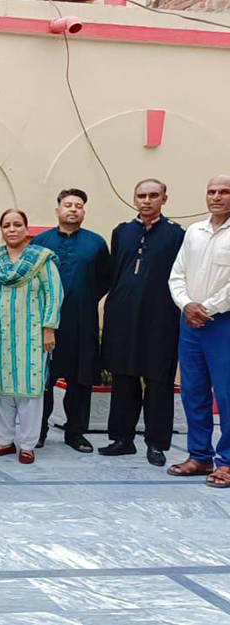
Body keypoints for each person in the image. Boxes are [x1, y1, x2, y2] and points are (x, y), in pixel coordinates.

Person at [99, 179, 185, 467]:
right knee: (123, 376)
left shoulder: (176, 235)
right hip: (122, 313)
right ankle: (122, 439)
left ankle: (156, 443)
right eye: (141, 196)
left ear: (164, 198)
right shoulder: (121, 232)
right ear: (134, 199)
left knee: (158, 378)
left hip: (161, 315)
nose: (146, 201)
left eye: (153, 196)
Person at [32, 189, 110, 453]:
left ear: (84, 211)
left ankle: (76, 433)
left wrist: (83, 298)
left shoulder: (96, 243)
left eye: (78, 206)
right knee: (43, 380)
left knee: (80, 379)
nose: (73, 209)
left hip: (82, 322)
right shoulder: (40, 243)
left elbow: (104, 279)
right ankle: (38, 431)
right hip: (46, 325)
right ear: (58, 210)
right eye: (68, 205)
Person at [0, 209, 63, 464]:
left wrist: (49, 328)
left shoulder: (41, 259)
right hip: (0, 334)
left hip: (32, 335)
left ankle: (27, 445)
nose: (12, 229)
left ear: (26, 229)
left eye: (17, 224)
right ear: (1, 230)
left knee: (30, 391)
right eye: (6, 225)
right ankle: (4, 442)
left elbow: (54, 293)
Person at [166, 175, 230, 486]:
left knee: (227, 394)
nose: (217, 197)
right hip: (190, 323)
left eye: (224, 191)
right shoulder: (195, 232)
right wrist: (187, 305)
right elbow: (177, 274)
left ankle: (228, 461)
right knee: (193, 392)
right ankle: (200, 456)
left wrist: (208, 308)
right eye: (212, 191)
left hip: (223, 323)